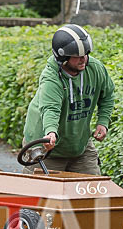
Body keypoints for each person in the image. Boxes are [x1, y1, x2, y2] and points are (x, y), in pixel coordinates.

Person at [22, 24, 115, 175]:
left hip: (79, 146)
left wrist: (103, 122)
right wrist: (50, 132)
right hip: (47, 147)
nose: (83, 59)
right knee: (40, 194)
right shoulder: (51, 78)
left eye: (85, 54)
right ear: (63, 58)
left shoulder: (95, 69)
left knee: (92, 190)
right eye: (77, 56)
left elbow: (108, 95)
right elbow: (50, 108)